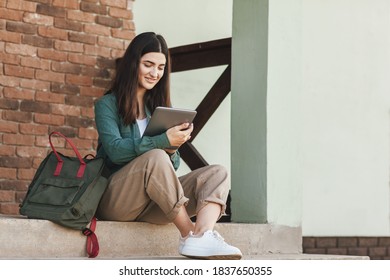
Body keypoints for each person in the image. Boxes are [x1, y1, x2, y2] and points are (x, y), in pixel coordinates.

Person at [94, 32, 242, 260]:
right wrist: (162, 142)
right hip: (117, 200)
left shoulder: (160, 108)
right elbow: (114, 151)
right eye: (148, 64)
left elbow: (169, 166)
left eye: (161, 67)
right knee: (155, 156)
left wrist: (173, 147)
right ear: (134, 64)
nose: (155, 73)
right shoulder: (107, 104)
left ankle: (204, 235)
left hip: (153, 204)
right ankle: (189, 235)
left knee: (217, 173)